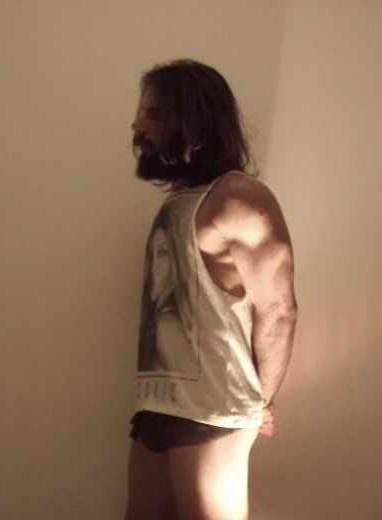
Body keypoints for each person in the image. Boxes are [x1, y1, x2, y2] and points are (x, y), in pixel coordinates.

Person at [126, 59, 298, 520]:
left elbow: (279, 310)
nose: (138, 125)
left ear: (194, 121)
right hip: (157, 402)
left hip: (212, 411)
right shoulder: (179, 201)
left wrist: (259, 402)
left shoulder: (237, 198)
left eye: (154, 114)